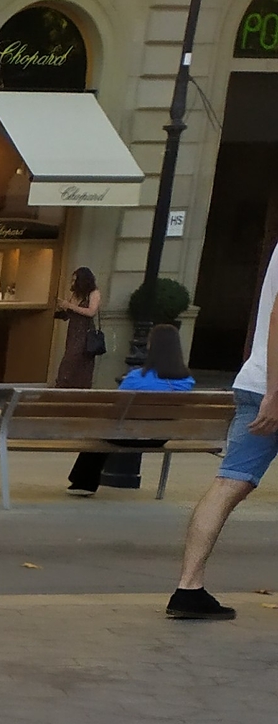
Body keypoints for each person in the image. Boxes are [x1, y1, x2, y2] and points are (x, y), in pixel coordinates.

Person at [173, 250, 278, 618]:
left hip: (255, 381)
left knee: (229, 483)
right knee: (229, 484)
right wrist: (274, 391)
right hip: (270, 387)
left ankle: (189, 588)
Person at [67, 322, 191, 498]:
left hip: (126, 436)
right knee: (110, 431)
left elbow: (117, 409)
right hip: (159, 436)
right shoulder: (185, 381)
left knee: (105, 430)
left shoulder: (136, 377)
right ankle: (82, 481)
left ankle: (83, 482)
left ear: (151, 346)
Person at [54, 266, 102, 390]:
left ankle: (72, 388)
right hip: (73, 331)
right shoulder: (75, 294)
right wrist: (62, 309)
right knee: (69, 359)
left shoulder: (93, 293)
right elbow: (69, 314)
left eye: (75, 280)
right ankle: (65, 387)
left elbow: (91, 312)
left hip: (85, 332)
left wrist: (69, 306)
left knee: (75, 362)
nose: (73, 283)